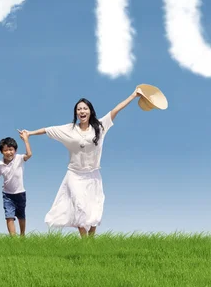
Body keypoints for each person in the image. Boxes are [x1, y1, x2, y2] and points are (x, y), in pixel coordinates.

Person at [20, 88, 142, 238]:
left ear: (90, 111)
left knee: (95, 208)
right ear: (76, 113)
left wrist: (133, 95)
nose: (82, 111)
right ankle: (84, 240)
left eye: (85, 108)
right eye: (79, 109)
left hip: (93, 175)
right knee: (79, 206)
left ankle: (91, 238)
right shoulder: (69, 129)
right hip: (74, 174)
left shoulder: (100, 126)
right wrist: (30, 133)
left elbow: (115, 110)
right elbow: (47, 130)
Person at [0, 130, 33, 236]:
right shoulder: (0, 164)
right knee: (9, 216)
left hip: (20, 193)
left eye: (11, 149)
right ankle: (13, 239)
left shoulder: (19, 158)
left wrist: (26, 140)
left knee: (21, 216)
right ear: (1, 152)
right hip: (7, 195)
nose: (8, 152)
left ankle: (22, 235)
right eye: (5, 150)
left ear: (15, 150)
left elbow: (29, 154)